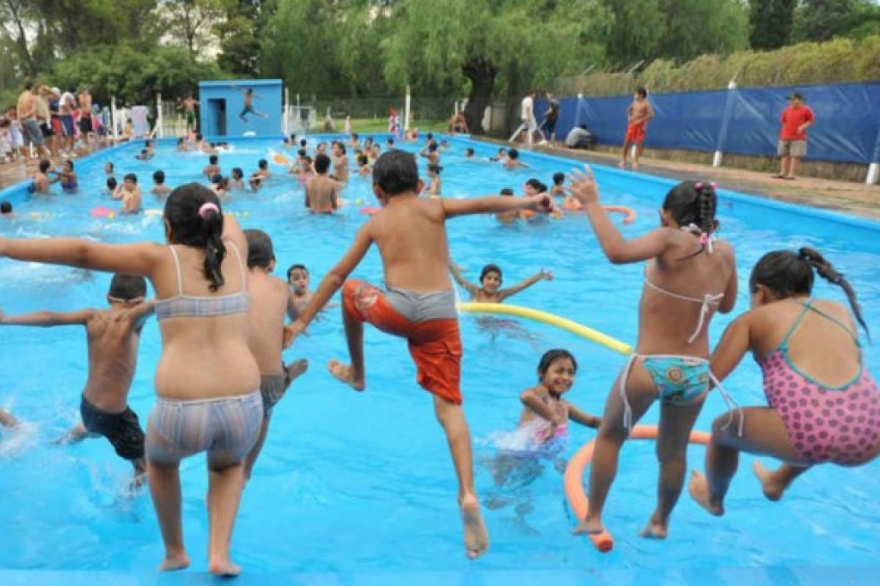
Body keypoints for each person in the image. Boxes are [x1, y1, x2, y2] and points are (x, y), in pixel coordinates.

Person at [285, 150, 556, 559]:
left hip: (396, 311)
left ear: (376, 191)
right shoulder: (436, 207)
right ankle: (466, 493)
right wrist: (529, 201)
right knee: (450, 408)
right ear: (419, 185)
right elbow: (484, 202)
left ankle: (358, 373)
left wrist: (300, 323)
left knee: (350, 290)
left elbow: (337, 274)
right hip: (440, 316)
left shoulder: (375, 223)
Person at [0, 184, 262, 576]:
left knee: (159, 464)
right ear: (215, 222)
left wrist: (5, 245)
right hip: (244, 401)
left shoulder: (160, 259)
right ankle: (219, 553)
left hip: (182, 405)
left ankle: (175, 550)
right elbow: (233, 225)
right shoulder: (238, 254)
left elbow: (84, 252)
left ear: (169, 229)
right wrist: (219, 217)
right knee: (226, 469)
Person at [567, 170, 737, 539]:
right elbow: (727, 306)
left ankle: (594, 516)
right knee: (673, 452)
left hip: (649, 366)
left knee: (611, 437)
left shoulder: (666, 239)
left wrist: (593, 203)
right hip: (695, 373)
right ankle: (660, 522)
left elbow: (616, 252)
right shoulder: (725, 252)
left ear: (665, 214)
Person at [688, 248, 879, 515]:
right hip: (872, 432)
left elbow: (702, 383)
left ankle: (713, 500)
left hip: (813, 436)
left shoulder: (752, 320)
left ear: (761, 292)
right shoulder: (838, 310)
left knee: (722, 430)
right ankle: (777, 482)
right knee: (819, 412)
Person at [0, 275, 154, 482]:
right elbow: (165, 301)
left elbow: (49, 317)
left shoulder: (91, 316)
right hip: (115, 416)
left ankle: (58, 443)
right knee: (146, 469)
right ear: (140, 301)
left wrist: (8, 319)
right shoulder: (132, 319)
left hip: (88, 406)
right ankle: (125, 505)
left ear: (108, 297)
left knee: (92, 427)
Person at [242, 229, 308, 481]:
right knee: (266, 412)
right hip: (269, 381)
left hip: (235, 376)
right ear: (273, 262)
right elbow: (297, 319)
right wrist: (288, 331)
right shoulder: (281, 286)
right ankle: (247, 469)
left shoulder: (231, 284)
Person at [488, 349, 601, 487]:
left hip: (542, 456)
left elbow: (592, 421)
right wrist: (552, 418)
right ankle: (486, 463)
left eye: (570, 372)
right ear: (541, 373)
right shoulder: (541, 395)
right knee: (498, 491)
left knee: (573, 481)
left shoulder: (565, 406)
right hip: (517, 452)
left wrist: (621, 422)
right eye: (559, 371)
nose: (565, 377)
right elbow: (525, 396)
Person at [449, 263, 553, 303]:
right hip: (476, 323)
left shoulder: (500, 295)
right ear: (482, 280)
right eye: (488, 278)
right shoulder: (475, 291)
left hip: (495, 323)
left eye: (496, 279)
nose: (492, 282)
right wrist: (449, 263)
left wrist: (540, 275)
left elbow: (522, 285)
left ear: (500, 283)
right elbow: (459, 280)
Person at [774, 91, 815, 181]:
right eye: (790, 100)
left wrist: (803, 126)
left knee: (794, 156)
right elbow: (783, 121)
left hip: (798, 137)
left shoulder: (806, 110)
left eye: (793, 99)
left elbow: (811, 120)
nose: (791, 101)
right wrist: (784, 132)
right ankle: (782, 173)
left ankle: (791, 174)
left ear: (800, 100)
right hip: (785, 136)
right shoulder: (786, 110)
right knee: (784, 155)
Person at [620, 87, 654, 170]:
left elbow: (651, 115)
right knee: (627, 141)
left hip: (640, 126)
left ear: (641, 95)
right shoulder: (634, 102)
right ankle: (623, 159)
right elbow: (628, 110)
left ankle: (636, 161)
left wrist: (641, 120)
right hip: (632, 124)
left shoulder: (646, 104)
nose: (635, 95)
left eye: (636, 94)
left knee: (638, 143)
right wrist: (629, 117)